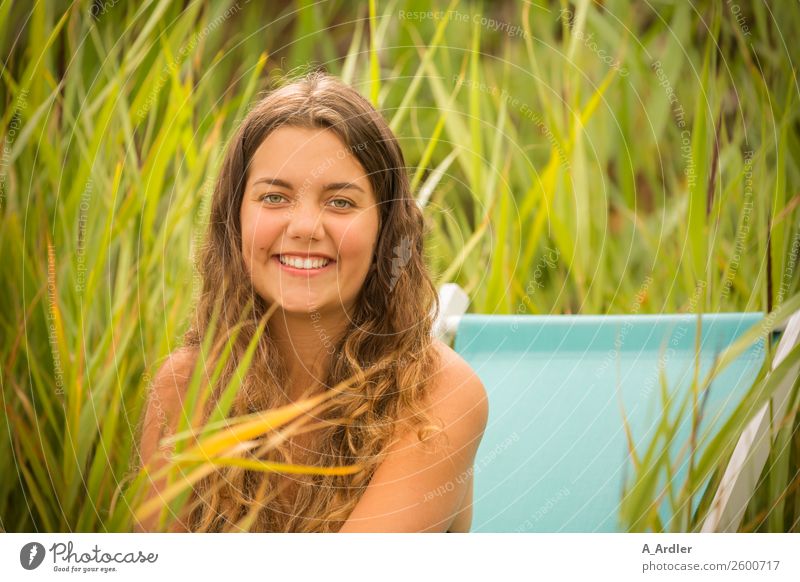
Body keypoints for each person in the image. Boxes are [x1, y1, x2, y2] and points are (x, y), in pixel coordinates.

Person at [136, 70, 488, 533]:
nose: (304, 226)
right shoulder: (184, 388)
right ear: (234, 219)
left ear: (386, 228)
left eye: (340, 202)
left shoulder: (436, 396)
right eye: (274, 197)